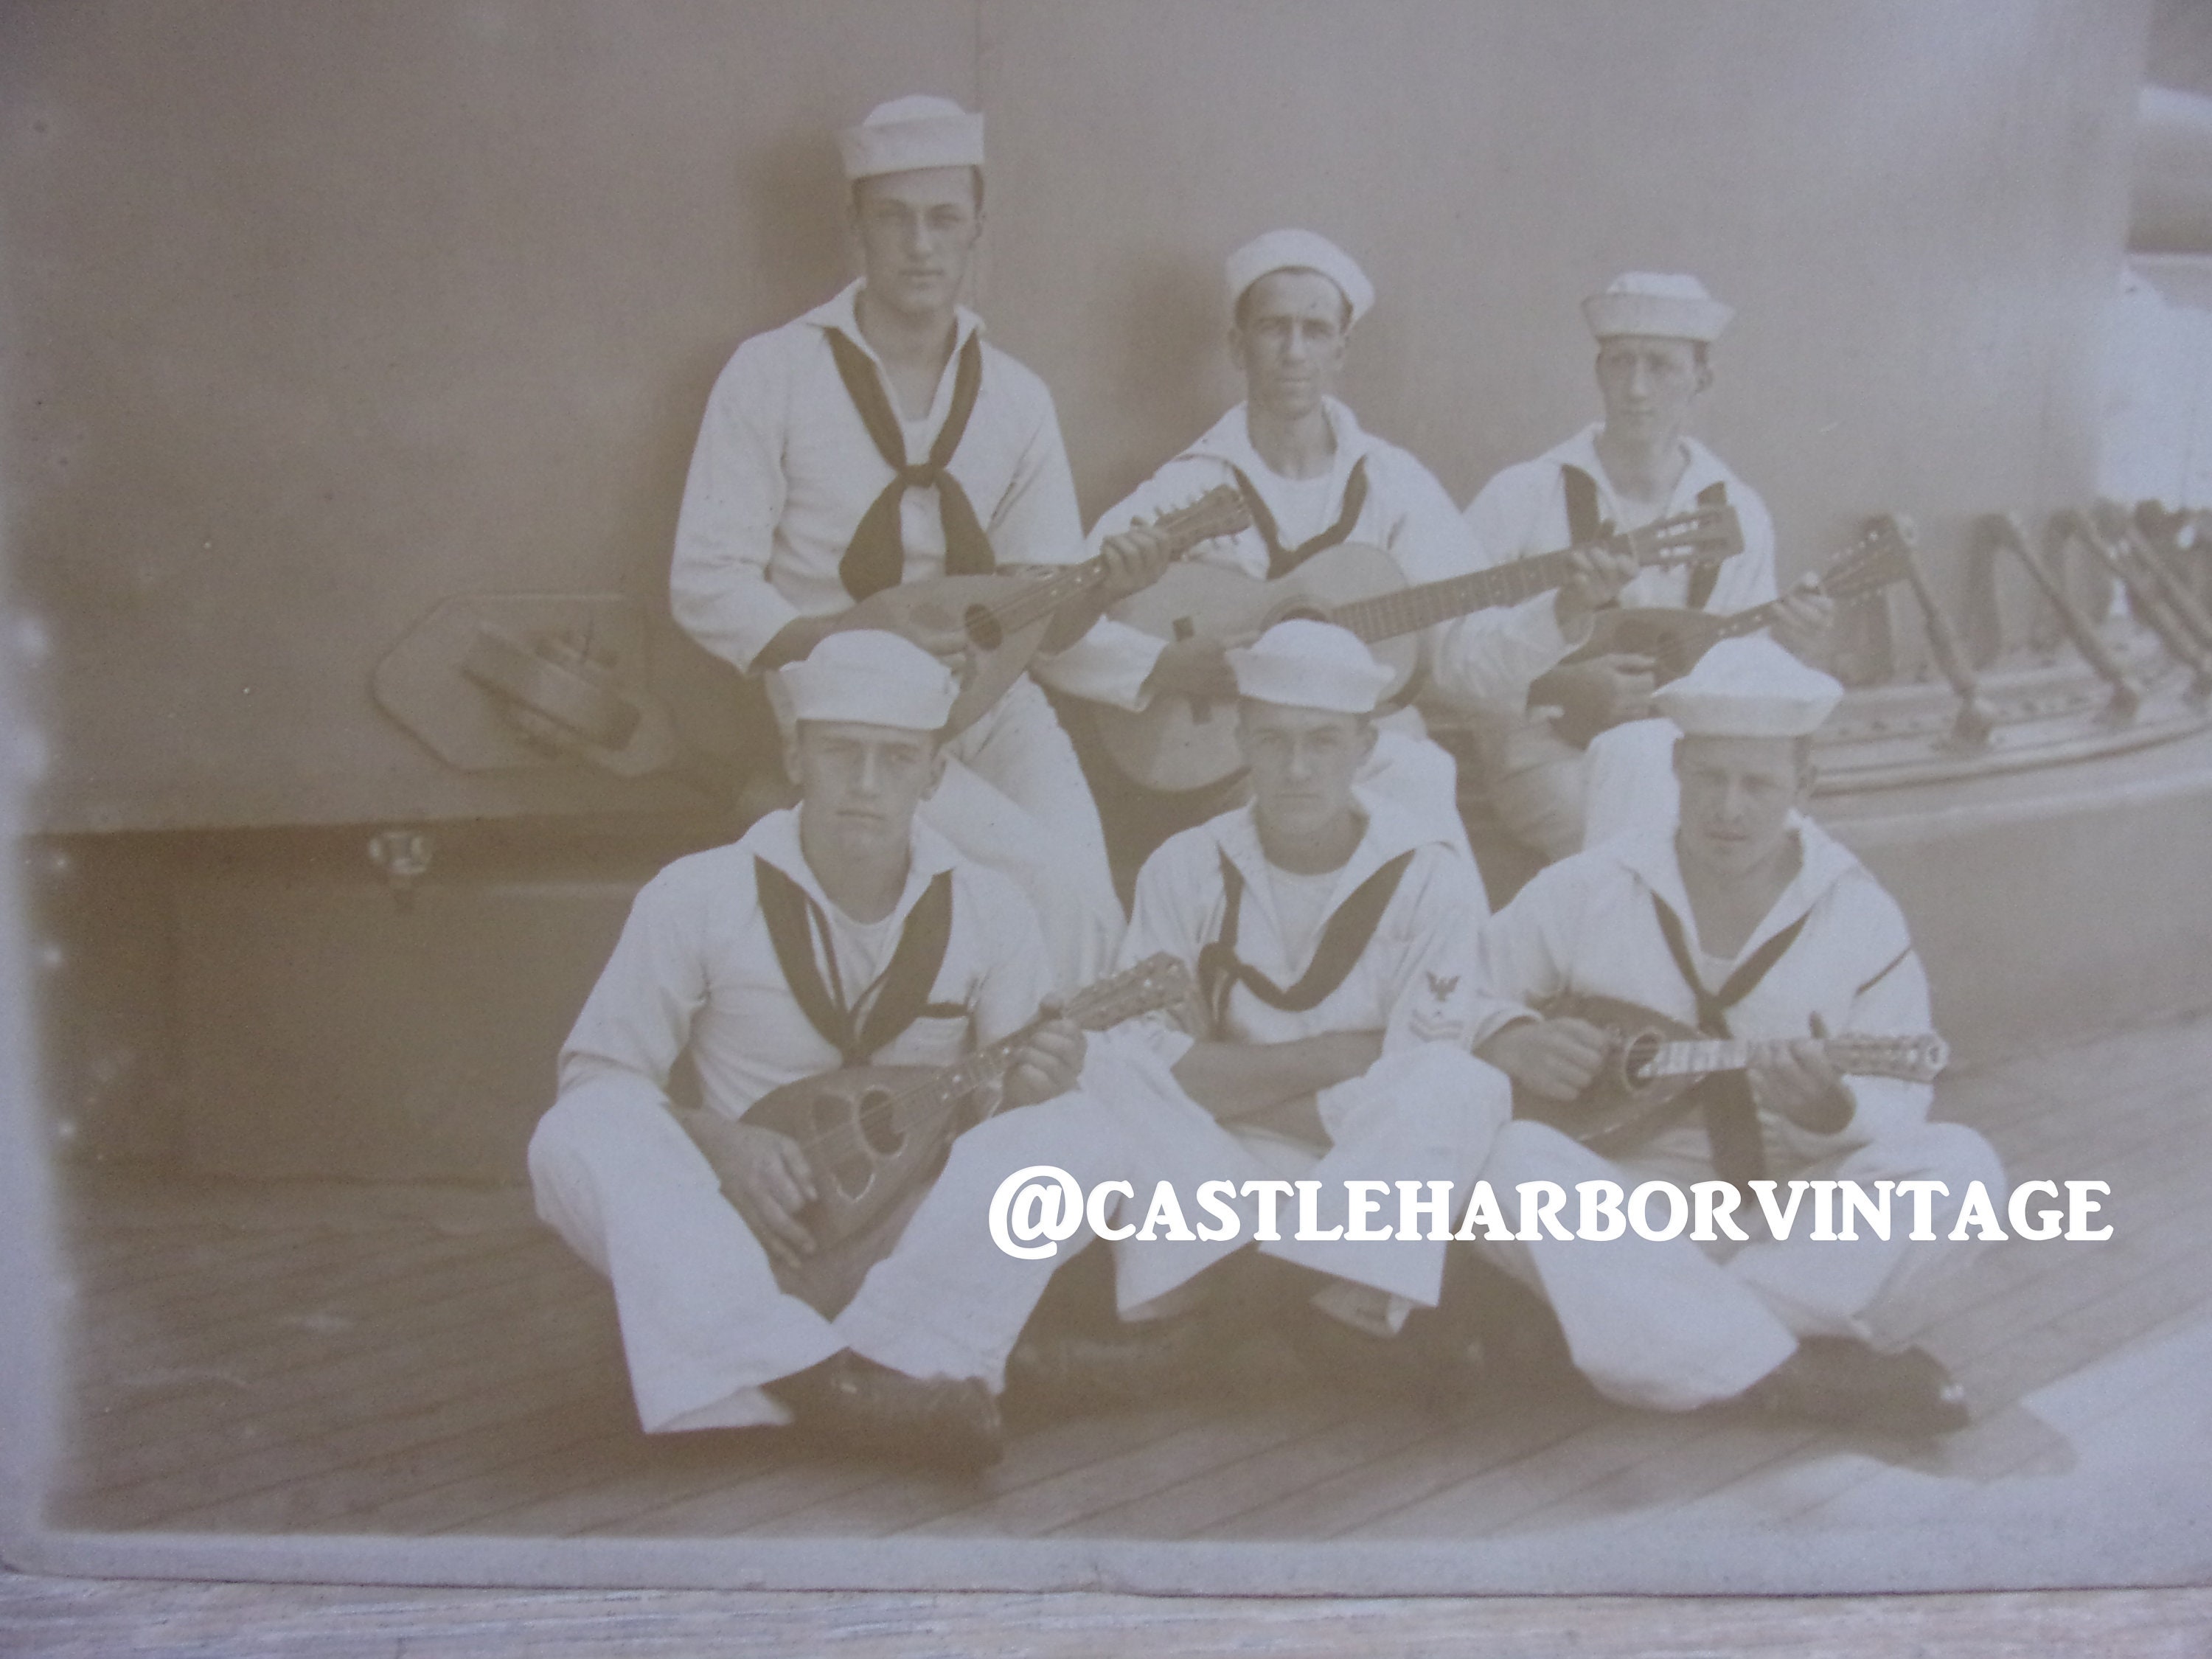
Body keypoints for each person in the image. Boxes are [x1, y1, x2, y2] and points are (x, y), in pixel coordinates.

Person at [528, 631, 1138, 1470]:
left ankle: (840, 1367)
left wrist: (1039, 1089)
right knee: (577, 1131)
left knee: (1081, 1135)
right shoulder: (698, 893)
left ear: (932, 775)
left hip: (902, 1245)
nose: (865, 785)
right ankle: (854, 1393)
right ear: (794, 756)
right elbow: (599, 1073)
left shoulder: (993, 908)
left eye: (896, 759)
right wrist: (721, 1142)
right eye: (841, 753)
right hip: (742, 1238)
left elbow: (1005, 1119)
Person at [1445, 637, 2002, 1433]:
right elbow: (1452, 994)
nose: (1728, 808)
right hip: (1631, 1213)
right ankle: (1795, 1374)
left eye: (1757, 783)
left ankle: (1649, 1334)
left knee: (1963, 1171)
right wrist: (1509, 1038)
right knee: (1508, 1166)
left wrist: (1831, 1114)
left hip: (1786, 1219)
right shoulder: (1591, 888)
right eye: (1708, 777)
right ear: (1676, 770)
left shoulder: (1859, 915)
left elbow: (1903, 1098)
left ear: (1805, 784)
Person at [668, 94, 1152, 993]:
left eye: (943, 220)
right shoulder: (772, 374)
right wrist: (857, 637)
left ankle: (1065, 1122)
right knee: (1044, 893)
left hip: (990, 700)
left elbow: (1040, 597)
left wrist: (1103, 588)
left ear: (977, 229)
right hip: (846, 714)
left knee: (1088, 903)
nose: (920, 246)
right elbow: (707, 582)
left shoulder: (1015, 395)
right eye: (893, 220)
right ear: (856, 228)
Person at [1020, 620, 1515, 1402]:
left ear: (1364, 747)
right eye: (1274, 740)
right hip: (1226, 1160)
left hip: (1363, 1171)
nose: (1296, 769)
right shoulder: (1184, 866)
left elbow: (1413, 1078)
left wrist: (1225, 1080)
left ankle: (1203, 1338)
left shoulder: (1431, 878)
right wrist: (1327, 1060)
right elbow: (1146, 1060)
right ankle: (1320, 1303)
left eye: (1322, 742)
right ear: (1242, 741)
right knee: (1104, 1062)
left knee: (1454, 1085)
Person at [1042, 229, 1635, 872]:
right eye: (1273, 328)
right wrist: (1161, 666)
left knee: (1422, 828)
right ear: (1238, 347)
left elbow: (1466, 659)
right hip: (1244, 764)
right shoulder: (1188, 486)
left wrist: (1565, 609)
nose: (1294, 352)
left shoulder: (1394, 484)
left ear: (1341, 350)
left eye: (1315, 330)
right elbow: (1049, 631)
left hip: (1378, 751)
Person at [1451, 272, 1830, 860]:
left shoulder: (1737, 511)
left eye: (1660, 366)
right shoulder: (1521, 495)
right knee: (1639, 842)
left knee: (1776, 844)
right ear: (1598, 371)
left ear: (1703, 379)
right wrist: (1558, 681)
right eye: (1620, 363)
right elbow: (1456, 660)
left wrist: (1787, 647)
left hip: (1693, 757)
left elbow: (1742, 673)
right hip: (1548, 750)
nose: (1636, 388)